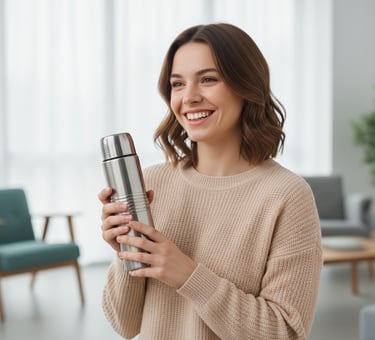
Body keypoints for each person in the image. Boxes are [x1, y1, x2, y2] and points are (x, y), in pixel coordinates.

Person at [99, 23, 322, 340]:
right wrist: (125, 254)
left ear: (246, 86)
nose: (189, 97)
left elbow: (283, 331)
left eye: (208, 79)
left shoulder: (287, 196)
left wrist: (187, 274)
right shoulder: (151, 184)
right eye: (177, 84)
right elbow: (125, 324)